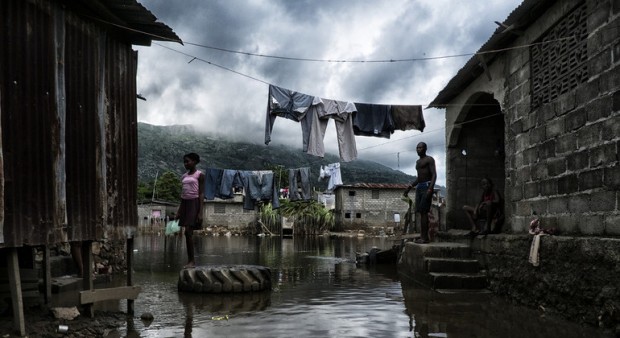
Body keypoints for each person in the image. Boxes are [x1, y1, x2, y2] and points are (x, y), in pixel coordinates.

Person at [176, 153, 205, 268]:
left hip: (194, 203)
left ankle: (192, 261)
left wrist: (200, 212)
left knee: (188, 231)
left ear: (195, 162)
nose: (185, 164)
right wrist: (179, 211)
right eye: (184, 162)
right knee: (186, 233)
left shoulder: (200, 175)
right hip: (185, 204)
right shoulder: (183, 176)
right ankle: (190, 261)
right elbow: (183, 195)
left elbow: (201, 193)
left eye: (188, 161)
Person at [403, 142, 437, 244]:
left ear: (425, 149)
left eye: (420, 147)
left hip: (427, 186)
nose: (418, 149)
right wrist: (409, 187)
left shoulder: (429, 159)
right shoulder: (418, 162)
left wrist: (430, 189)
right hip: (419, 187)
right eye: (417, 148)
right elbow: (419, 178)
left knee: (424, 212)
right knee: (420, 212)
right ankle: (422, 236)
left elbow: (434, 175)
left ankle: (425, 238)